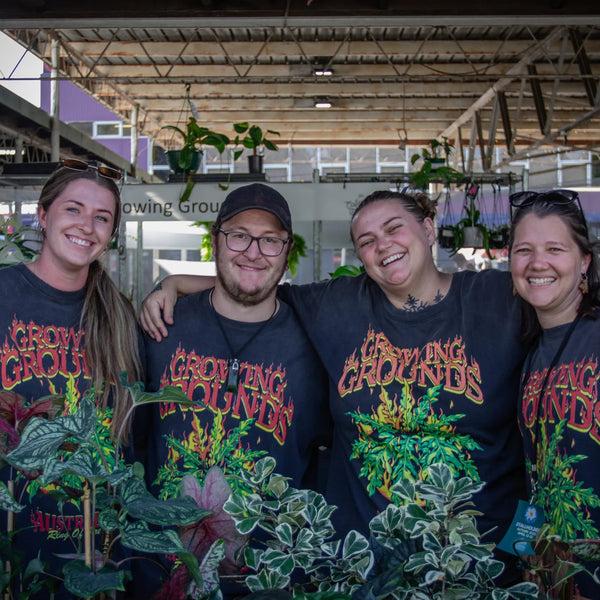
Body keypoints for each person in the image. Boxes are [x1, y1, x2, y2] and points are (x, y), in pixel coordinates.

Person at [140, 188, 527, 584]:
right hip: (361, 571)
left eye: (395, 228)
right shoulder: (338, 305)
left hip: (479, 570)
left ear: (428, 229)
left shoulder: (498, 299)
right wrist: (172, 283)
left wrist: (527, 544)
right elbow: (252, 284)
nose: (383, 245)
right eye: (366, 241)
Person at [137, 183, 330, 595]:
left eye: (270, 240)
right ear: (215, 241)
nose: (253, 251)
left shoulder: (316, 339)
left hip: (269, 578)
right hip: (162, 573)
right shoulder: (161, 325)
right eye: (239, 234)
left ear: (286, 249)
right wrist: (169, 284)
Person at [0, 160, 142, 598]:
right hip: (10, 538)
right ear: (43, 216)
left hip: (94, 547)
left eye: (102, 217)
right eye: (73, 210)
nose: (87, 226)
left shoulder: (120, 316)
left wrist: (173, 284)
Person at [509, 189, 600, 599]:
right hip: (551, 581)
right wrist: (523, 556)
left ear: (584, 262)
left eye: (554, 249)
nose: (537, 263)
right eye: (523, 250)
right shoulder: (530, 352)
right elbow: (537, 473)